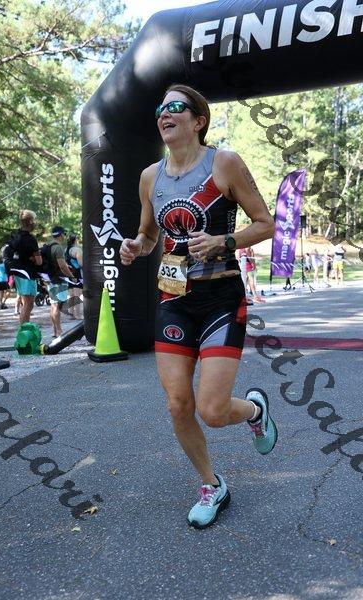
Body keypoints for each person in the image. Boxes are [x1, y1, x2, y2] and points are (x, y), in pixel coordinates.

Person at [119, 84, 277, 529]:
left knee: (212, 410)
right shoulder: (150, 176)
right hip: (174, 299)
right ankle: (211, 484)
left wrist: (224, 241)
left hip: (221, 298)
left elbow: (266, 223)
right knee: (177, 404)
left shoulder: (223, 163)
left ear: (198, 120)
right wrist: (136, 246)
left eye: (174, 107)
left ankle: (254, 411)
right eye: (160, 109)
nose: (164, 114)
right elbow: (150, 234)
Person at [11, 210, 42, 324]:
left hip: (18, 272)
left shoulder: (16, 236)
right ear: (31, 221)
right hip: (28, 273)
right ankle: (24, 330)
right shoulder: (30, 239)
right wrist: (34, 258)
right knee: (28, 305)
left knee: (26, 303)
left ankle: (24, 328)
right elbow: (39, 261)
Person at [46, 226, 76, 337]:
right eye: (64, 234)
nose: (65, 236)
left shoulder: (49, 246)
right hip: (59, 279)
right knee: (57, 305)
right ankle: (59, 332)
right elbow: (62, 266)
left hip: (50, 279)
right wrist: (72, 276)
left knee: (53, 304)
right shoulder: (58, 248)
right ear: (61, 234)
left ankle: (55, 330)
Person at [65, 233, 83, 320]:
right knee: (77, 294)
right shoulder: (77, 250)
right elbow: (81, 264)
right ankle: (78, 315)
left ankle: (71, 314)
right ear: (76, 240)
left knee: (71, 295)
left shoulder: (66, 250)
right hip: (76, 273)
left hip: (69, 273)